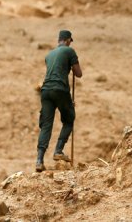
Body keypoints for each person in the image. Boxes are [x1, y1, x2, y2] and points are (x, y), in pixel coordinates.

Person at [35, 30, 82, 172]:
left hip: (45, 91)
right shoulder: (69, 51)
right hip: (60, 89)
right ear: (68, 40)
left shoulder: (49, 55)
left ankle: (39, 160)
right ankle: (58, 151)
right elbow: (78, 73)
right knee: (69, 119)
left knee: (46, 125)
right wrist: (72, 63)